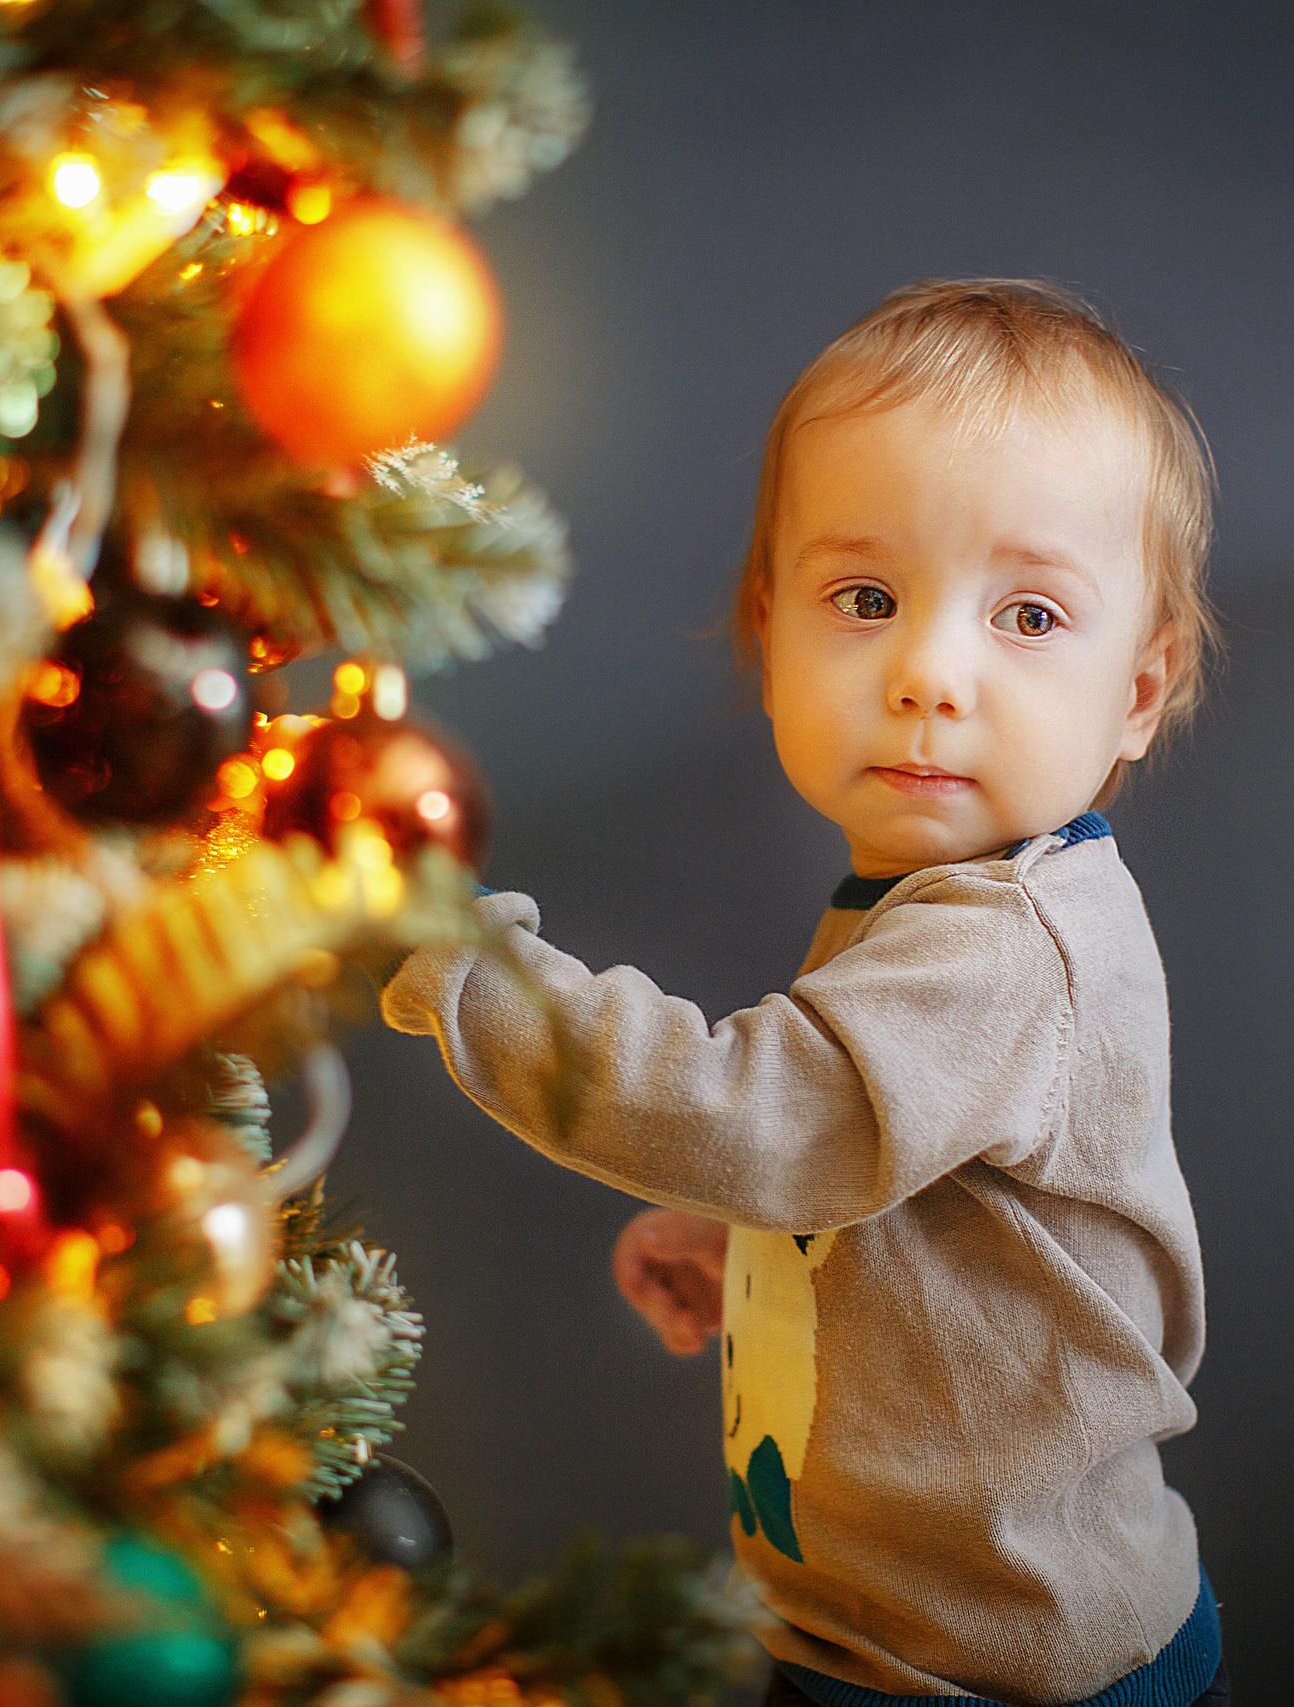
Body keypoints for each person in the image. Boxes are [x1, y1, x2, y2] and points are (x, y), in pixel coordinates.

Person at [383, 279, 1226, 1707]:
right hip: (877, 1641)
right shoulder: (931, 905)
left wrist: (453, 959)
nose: (928, 673)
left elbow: (764, 1118)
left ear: (1138, 691)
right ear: (769, 628)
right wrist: (752, 1252)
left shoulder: (1010, 945)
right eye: (866, 598)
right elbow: (911, 1190)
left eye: (1027, 613)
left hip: (1000, 1675)